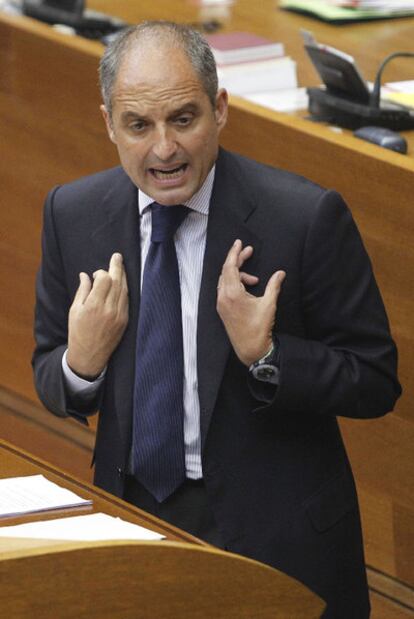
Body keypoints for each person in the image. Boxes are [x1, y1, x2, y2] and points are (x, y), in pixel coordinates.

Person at [32, 21, 401, 618]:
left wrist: (268, 356)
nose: (164, 149)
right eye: (138, 126)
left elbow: (376, 378)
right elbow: (51, 372)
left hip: (276, 539)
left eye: (183, 119)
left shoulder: (304, 218)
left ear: (220, 109)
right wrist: (82, 362)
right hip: (134, 521)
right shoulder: (72, 215)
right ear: (108, 124)